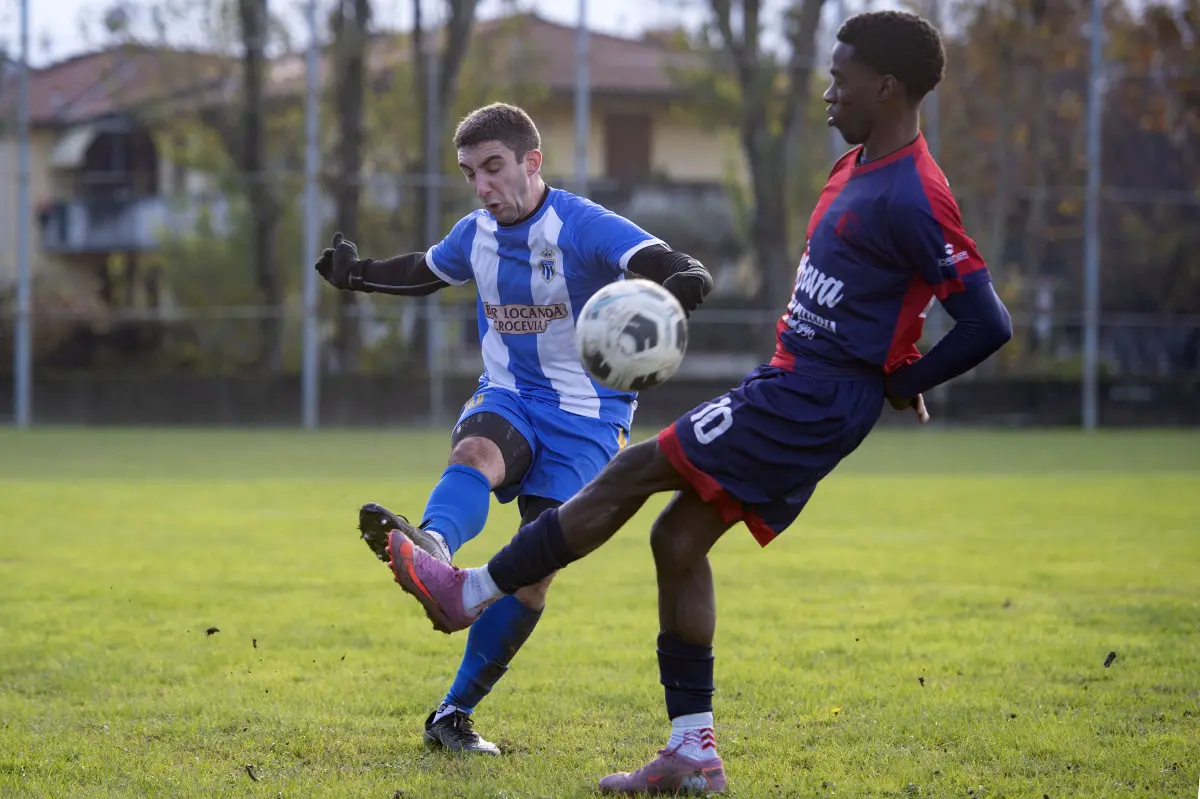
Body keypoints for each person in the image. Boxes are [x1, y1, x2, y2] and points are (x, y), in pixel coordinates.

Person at [377, 11, 1013, 794]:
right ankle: (692, 750)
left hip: (809, 398)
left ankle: (465, 590)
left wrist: (902, 379)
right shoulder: (855, 168)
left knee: (634, 471)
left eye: (839, 78)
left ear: (885, 87)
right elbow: (885, 292)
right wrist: (896, 356)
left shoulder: (915, 192)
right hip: (795, 385)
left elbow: (988, 320)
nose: (826, 91)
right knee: (676, 540)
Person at [314, 102, 713, 756]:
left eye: (493, 167)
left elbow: (646, 253)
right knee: (475, 449)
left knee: (532, 573)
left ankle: (453, 712)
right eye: (470, 172)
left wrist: (679, 271)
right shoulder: (475, 232)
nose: (481, 185)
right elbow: (426, 270)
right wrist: (358, 275)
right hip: (509, 392)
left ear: (533, 162)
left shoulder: (578, 223)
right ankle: (433, 549)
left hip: (588, 417)